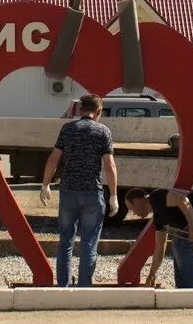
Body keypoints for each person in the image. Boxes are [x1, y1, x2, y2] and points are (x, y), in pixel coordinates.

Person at [40, 94, 118, 287]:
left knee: (65, 241)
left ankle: (63, 286)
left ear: (80, 110)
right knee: (89, 243)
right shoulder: (103, 132)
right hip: (92, 193)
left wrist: (45, 184)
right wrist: (114, 195)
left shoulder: (67, 129)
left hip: (68, 192)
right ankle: (84, 286)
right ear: (99, 111)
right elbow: (110, 165)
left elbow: (53, 159)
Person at [126, 188, 193, 289]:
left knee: (180, 244)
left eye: (131, 208)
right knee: (177, 243)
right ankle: (182, 287)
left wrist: (192, 224)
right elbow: (159, 249)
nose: (133, 213)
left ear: (136, 201)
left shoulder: (156, 197)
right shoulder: (158, 219)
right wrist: (151, 275)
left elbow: (182, 200)